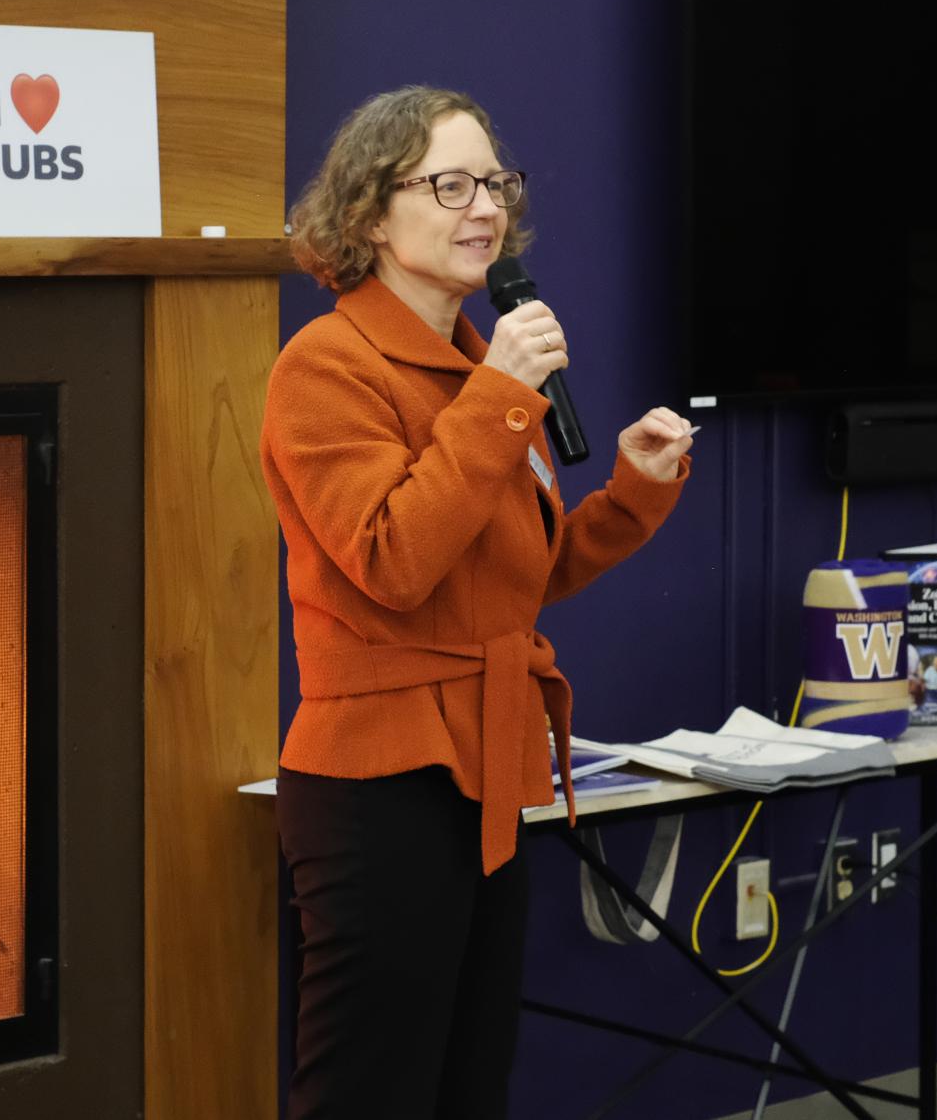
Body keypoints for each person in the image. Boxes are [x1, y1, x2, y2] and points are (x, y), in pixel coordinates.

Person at [261, 86, 694, 1120]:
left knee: (468, 1088)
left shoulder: (474, 365)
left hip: (488, 770)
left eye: (494, 183)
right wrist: (501, 395)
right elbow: (395, 561)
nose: (484, 208)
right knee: (370, 1095)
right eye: (447, 185)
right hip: (381, 784)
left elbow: (513, 583)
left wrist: (633, 491)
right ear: (370, 216)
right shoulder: (326, 367)